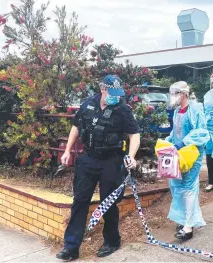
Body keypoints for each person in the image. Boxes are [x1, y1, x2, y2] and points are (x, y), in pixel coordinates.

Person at [56, 75, 140, 261]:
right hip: (88, 159)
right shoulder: (88, 104)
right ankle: (71, 247)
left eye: (118, 94)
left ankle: (112, 241)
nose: (116, 97)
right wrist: (67, 151)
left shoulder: (123, 109)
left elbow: (134, 135)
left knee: (108, 202)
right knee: (80, 201)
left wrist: (131, 157)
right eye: (112, 93)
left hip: (111, 160)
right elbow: (76, 127)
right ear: (103, 89)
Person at [166, 81, 210, 242]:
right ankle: (183, 219)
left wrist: (184, 142)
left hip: (192, 155)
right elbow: (175, 131)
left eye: (174, 93)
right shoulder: (178, 111)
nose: (172, 97)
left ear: (183, 94)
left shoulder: (196, 109)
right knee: (176, 188)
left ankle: (189, 227)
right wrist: (168, 141)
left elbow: (202, 132)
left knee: (189, 190)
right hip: (178, 155)